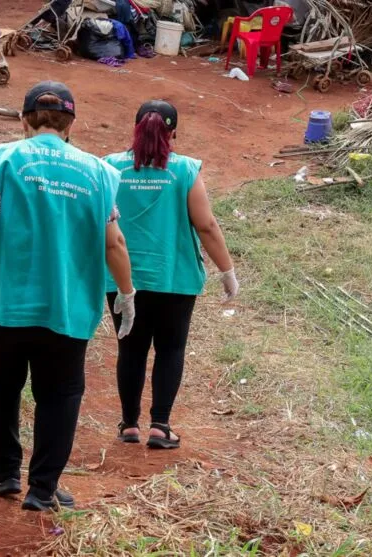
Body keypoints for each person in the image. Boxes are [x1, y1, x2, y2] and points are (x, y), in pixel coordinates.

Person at [0, 81, 137, 511]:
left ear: (24, 120)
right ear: (70, 123)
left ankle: (6, 474)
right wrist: (126, 292)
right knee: (59, 394)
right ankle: (42, 489)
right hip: (63, 307)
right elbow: (114, 243)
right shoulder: (99, 173)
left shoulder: (3, 160)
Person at [104, 100, 238, 450]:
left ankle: (129, 425)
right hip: (173, 277)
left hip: (123, 278)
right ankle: (160, 427)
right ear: (174, 132)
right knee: (170, 348)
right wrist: (227, 270)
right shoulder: (185, 170)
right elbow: (206, 225)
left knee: (130, 349)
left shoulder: (110, 168)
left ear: (135, 128)